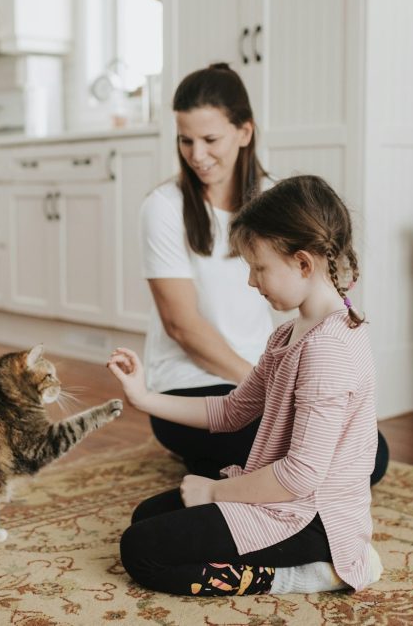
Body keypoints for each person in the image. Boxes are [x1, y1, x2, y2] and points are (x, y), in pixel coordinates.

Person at [107, 175, 384, 597]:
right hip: (288, 501)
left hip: (313, 520)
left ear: (303, 264)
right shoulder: (288, 335)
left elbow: (300, 476)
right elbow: (231, 411)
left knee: (141, 551)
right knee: (146, 517)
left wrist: (216, 492)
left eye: (259, 268)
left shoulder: (328, 350)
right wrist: (143, 396)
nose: (252, 282)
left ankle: (305, 575)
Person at [140, 63, 388, 483]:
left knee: (373, 452)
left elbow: (317, 285)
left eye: (210, 139)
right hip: (192, 386)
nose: (197, 155)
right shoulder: (164, 207)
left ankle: (237, 470)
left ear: (245, 132)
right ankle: (238, 472)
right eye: (186, 141)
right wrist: (266, 390)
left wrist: (287, 385)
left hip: (262, 378)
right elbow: (181, 326)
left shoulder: (276, 200)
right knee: (296, 448)